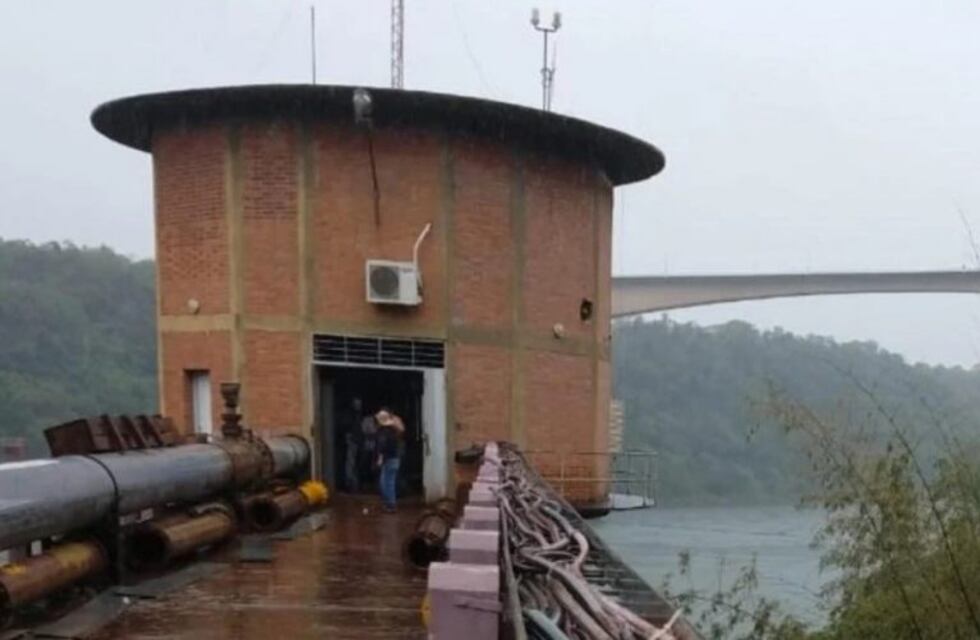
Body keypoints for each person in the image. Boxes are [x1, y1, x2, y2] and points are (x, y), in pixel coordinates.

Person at [374, 408, 405, 513]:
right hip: (395, 458)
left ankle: (390, 504)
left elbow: (382, 445)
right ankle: (390, 503)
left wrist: (380, 457)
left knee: (385, 483)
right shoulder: (395, 431)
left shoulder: (384, 432)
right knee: (390, 482)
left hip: (388, 459)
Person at [337, 397, 364, 492]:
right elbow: (347, 428)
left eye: (359, 404)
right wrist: (349, 438)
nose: (359, 406)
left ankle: (354, 485)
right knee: (350, 464)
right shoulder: (350, 415)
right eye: (357, 404)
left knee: (355, 464)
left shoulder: (358, 415)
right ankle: (350, 485)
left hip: (357, 441)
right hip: (352, 441)